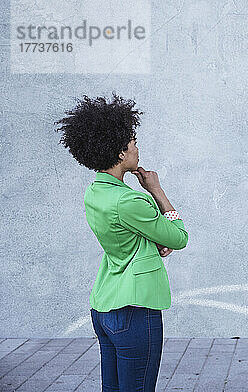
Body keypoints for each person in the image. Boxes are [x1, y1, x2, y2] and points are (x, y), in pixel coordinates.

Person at [55, 93, 189, 391]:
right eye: (132, 142)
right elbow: (179, 237)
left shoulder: (95, 193)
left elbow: (123, 237)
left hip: (104, 307)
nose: (136, 148)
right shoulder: (131, 200)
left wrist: (152, 241)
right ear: (119, 153)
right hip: (135, 308)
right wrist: (157, 190)